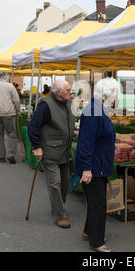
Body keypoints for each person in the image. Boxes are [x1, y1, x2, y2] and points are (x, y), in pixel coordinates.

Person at [76, 78, 117, 253]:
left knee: (95, 202)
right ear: (108, 94)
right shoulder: (94, 111)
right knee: (99, 205)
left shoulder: (98, 109)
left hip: (97, 164)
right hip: (94, 166)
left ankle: (88, 231)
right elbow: (86, 142)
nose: (116, 97)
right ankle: (97, 241)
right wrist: (86, 168)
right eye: (115, 93)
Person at [28, 79, 75, 229]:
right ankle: (60, 214)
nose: (70, 92)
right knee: (55, 183)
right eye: (67, 90)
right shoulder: (45, 105)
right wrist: (37, 147)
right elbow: (33, 127)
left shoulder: (68, 102)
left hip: (65, 150)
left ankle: (58, 206)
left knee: (65, 183)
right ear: (57, 92)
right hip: (50, 151)